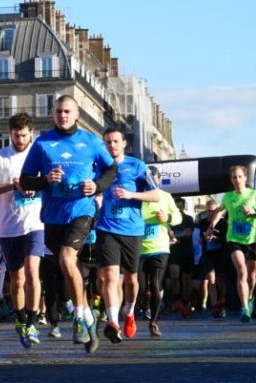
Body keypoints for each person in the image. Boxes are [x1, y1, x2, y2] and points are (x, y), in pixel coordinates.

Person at [19, 95, 117, 353]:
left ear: (76, 114)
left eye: (67, 111)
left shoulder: (91, 141)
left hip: (81, 211)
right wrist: (45, 180)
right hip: (53, 215)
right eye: (59, 111)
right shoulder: (42, 144)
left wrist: (97, 185)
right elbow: (26, 181)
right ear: (53, 114)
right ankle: (87, 317)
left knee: (66, 259)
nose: (63, 116)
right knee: (66, 268)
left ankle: (77, 317)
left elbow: (111, 171)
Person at [0, 112, 45, 348]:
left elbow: (50, 180)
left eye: (24, 136)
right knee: (16, 279)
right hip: (9, 228)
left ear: (31, 133)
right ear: (10, 134)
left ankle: (33, 321)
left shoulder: (38, 155)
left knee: (32, 271)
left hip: (36, 223)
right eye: (16, 136)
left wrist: (35, 185)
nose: (20, 140)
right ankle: (20, 319)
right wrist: (13, 185)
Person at [92, 126, 159, 348]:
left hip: (132, 230)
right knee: (110, 276)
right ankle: (113, 322)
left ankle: (129, 312)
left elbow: (156, 194)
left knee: (131, 280)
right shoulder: (99, 166)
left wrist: (131, 194)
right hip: (106, 228)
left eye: (115, 142)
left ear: (124, 144)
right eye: (108, 142)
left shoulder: (137, 166)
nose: (112, 146)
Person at [205, 165, 256, 323]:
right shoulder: (228, 197)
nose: (237, 180)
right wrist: (210, 227)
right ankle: (244, 309)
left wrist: (255, 212)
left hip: (252, 240)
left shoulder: (255, 195)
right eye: (234, 177)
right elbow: (220, 212)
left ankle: (250, 298)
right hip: (234, 239)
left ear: (245, 178)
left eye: (240, 177)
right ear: (231, 180)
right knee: (241, 272)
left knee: (252, 276)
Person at [139, 177, 181, 337]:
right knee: (141, 288)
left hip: (160, 248)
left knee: (156, 284)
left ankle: (154, 322)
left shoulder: (165, 196)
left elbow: (178, 217)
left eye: (153, 179)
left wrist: (168, 218)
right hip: (139, 249)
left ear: (157, 180)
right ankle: (143, 306)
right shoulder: (137, 196)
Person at [196, 199, 226, 317]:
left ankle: (222, 302)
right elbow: (200, 238)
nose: (211, 213)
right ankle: (214, 306)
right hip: (208, 253)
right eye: (209, 211)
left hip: (220, 253)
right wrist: (203, 239)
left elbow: (226, 239)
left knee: (220, 281)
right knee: (211, 279)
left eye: (214, 211)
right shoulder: (203, 223)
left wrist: (215, 238)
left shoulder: (223, 223)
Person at [167, 197, 197, 316]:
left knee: (186, 280)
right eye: (176, 206)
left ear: (183, 207)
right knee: (174, 276)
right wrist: (176, 236)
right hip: (174, 251)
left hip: (186, 252)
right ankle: (176, 299)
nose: (178, 208)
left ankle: (186, 302)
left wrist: (175, 236)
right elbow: (168, 233)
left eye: (180, 206)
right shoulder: (170, 220)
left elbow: (188, 233)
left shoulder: (188, 219)